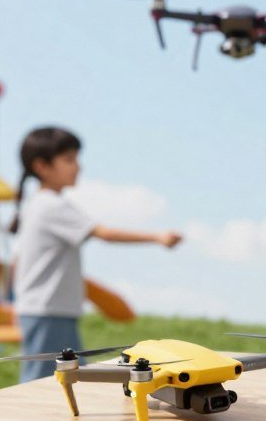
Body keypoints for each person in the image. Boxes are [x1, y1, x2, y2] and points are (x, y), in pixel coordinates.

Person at [11, 126, 183, 382]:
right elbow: (103, 233)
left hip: (50, 310)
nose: (77, 167)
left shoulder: (36, 205)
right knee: (44, 381)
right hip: (49, 311)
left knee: (67, 377)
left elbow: (17, 262)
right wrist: (157, 237)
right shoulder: (52, 206)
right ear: (42, 166)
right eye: (68, 160)